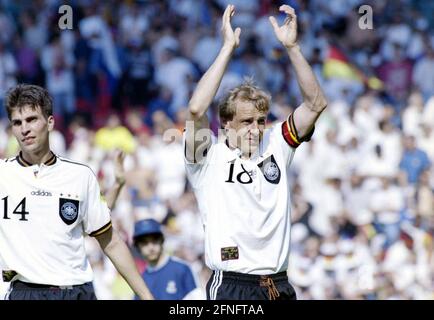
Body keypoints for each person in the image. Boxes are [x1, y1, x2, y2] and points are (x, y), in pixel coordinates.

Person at [184, 4, 327, 300]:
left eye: (260, 121)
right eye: (246, 121)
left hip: (278, 284)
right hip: (231, 284)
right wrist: (227, 49)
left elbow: (315, 104)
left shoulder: (277, 142)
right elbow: (197, 108)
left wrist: (293, 48)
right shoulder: (206, 158)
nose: (255, 128)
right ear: (226, 123)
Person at [0, 84, 153, 300]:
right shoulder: (3, 174)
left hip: (77, 291)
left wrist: (147, 296)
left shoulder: (80, 176)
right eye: (17, 123)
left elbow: (111, 241)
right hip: (26, 292)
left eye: (32, 119)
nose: (24, 129)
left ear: (50, 122)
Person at [132, 218, 203, 300]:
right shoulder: (141, 279)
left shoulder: (181, 269)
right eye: (144, 243)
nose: (150, 247)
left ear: (161, 240)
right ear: (137, 246)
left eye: (154, 240)